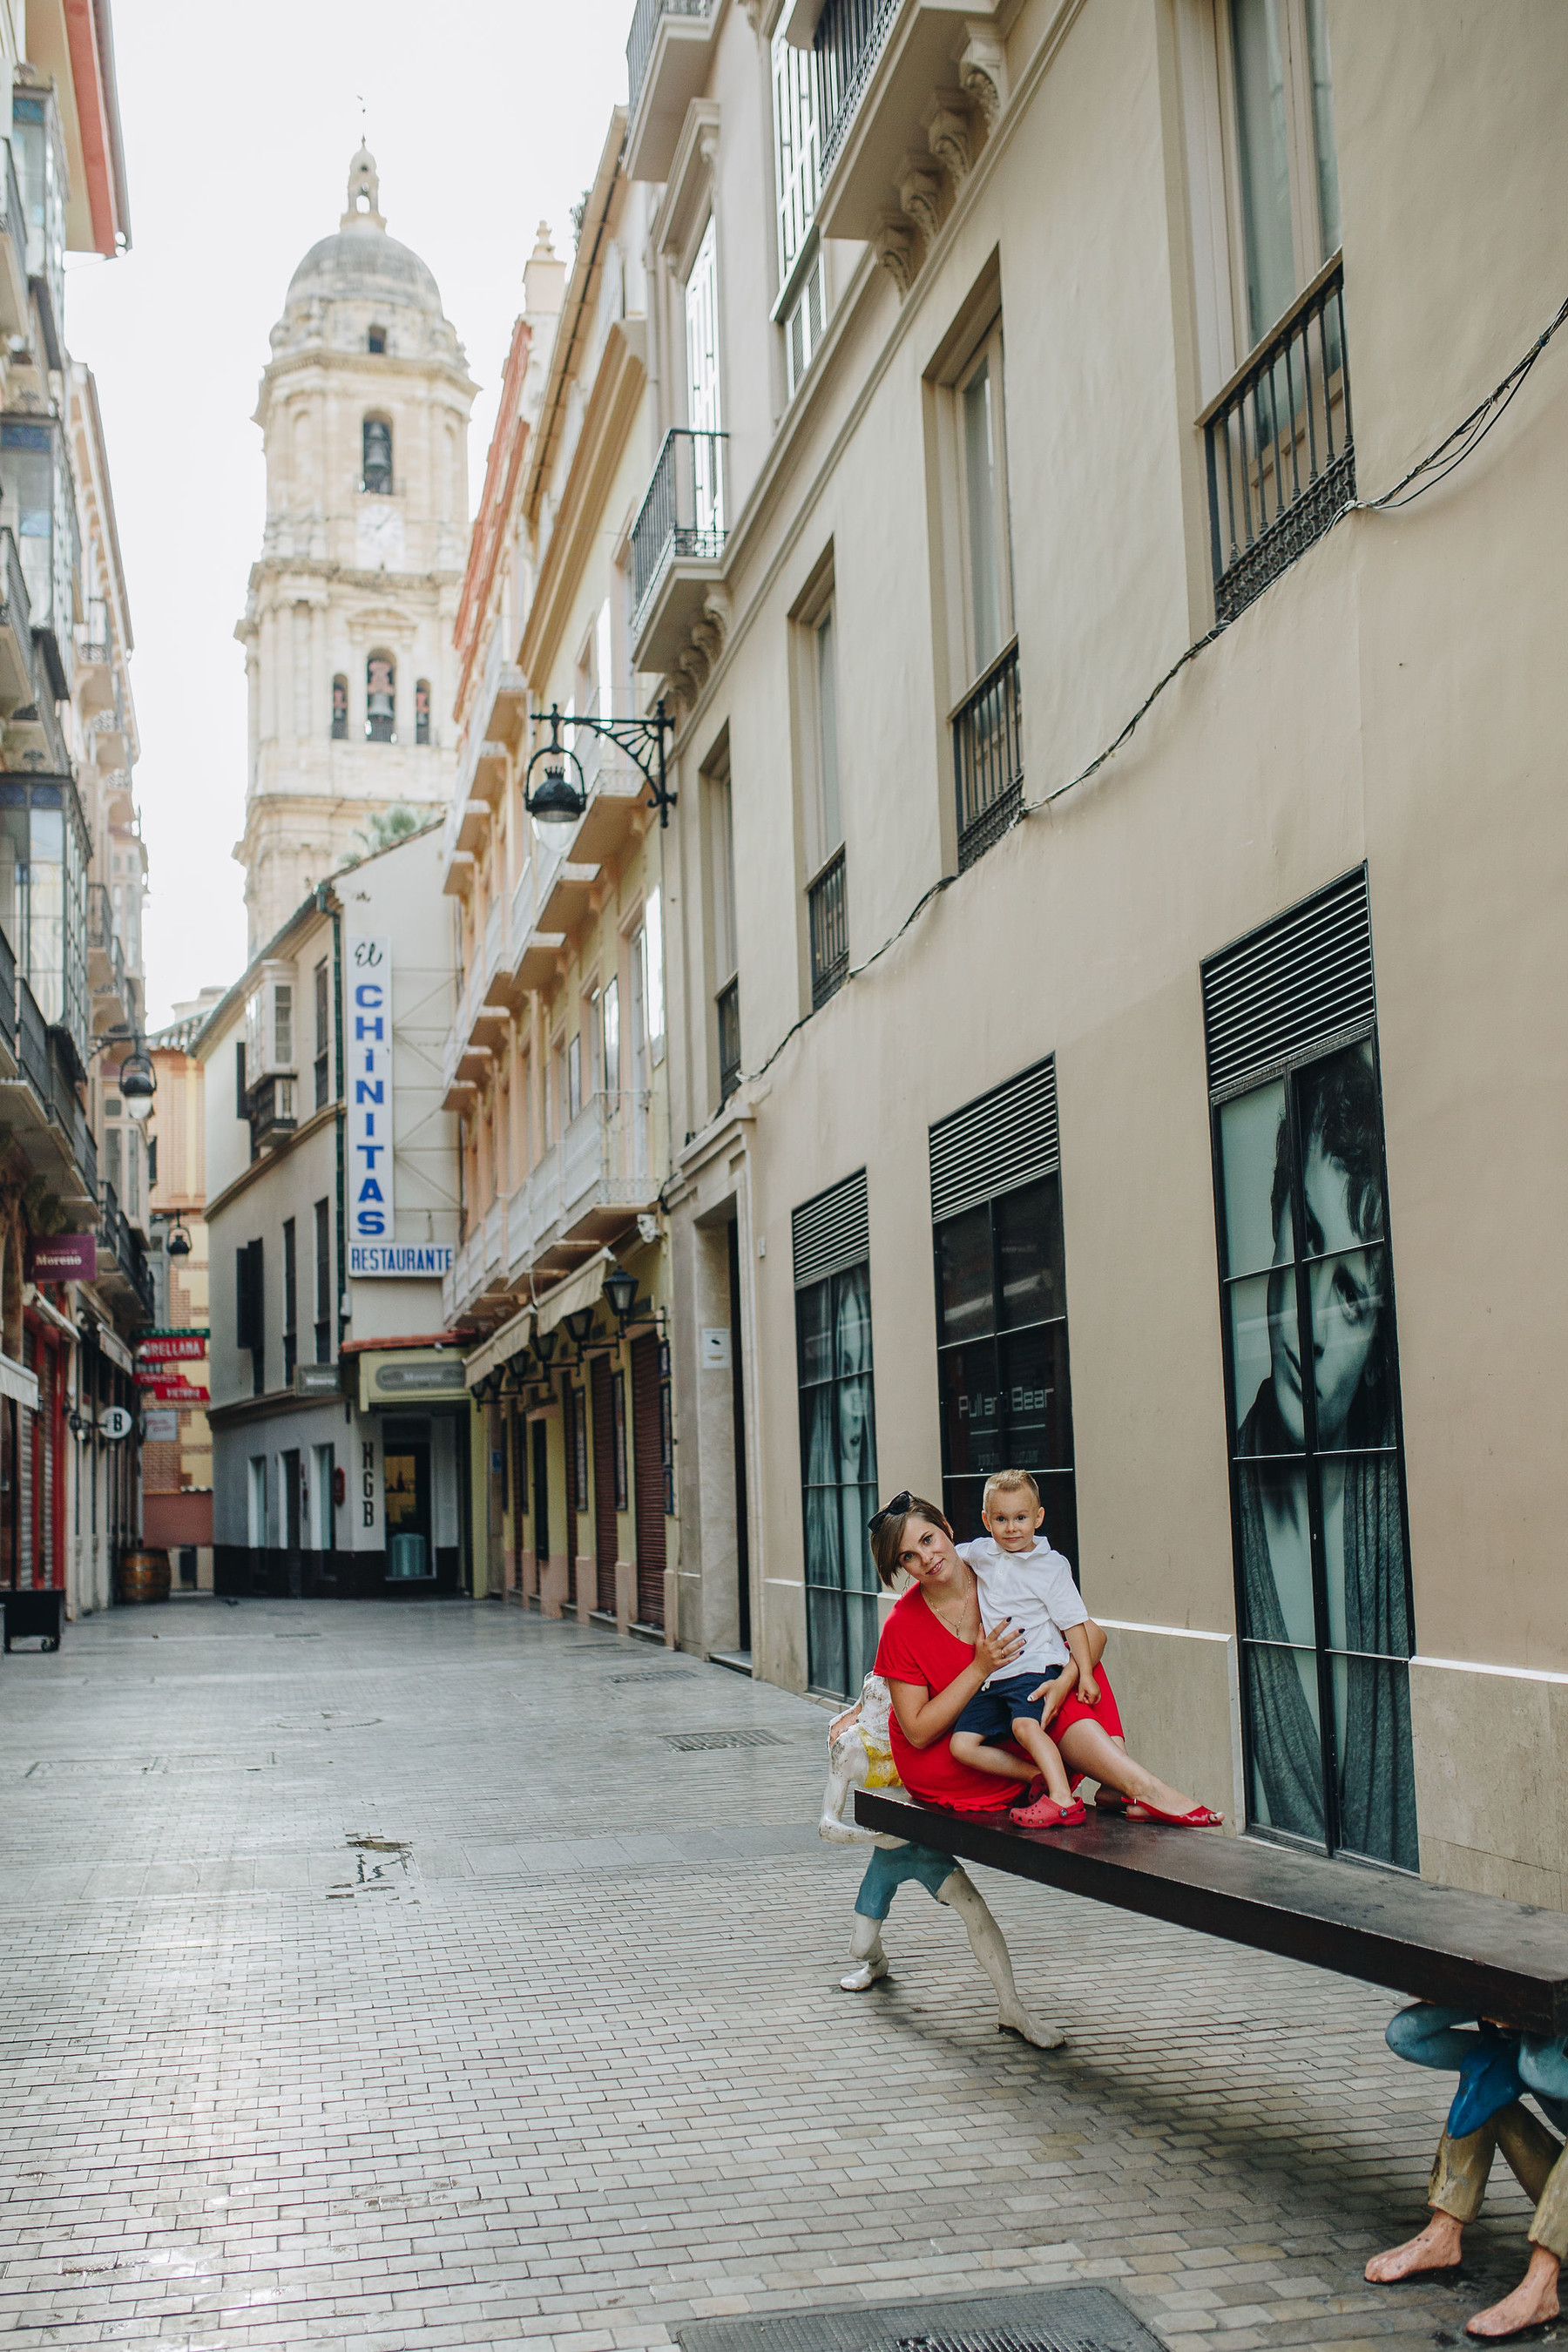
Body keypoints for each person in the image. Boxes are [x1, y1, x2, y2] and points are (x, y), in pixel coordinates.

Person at [1227, 1047, 1416, 1867]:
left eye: (1348, 1296)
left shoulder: (1404, 1521)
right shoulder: (1231, 1514)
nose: (1307, 1323)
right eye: (1303, 1240)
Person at [868, 1491, 1222, 1828]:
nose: (926, 1558)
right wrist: (980, 1668)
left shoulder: (999, 1568)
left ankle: (1121, 1783)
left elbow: (1094, 1636)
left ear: (946, 1526)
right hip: (953, 1755)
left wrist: (1064, 1681)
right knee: (1046, 1677)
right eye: (908, 1556)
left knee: (1075, 1667)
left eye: (927, 1540)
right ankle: (1143, 1788)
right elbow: (917, 1733)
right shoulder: (902, 1626)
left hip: (1004, 1727)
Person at [1365, 2002, 1568, 2339]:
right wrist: (1484, 1998)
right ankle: (1443, 2235)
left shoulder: (1540, 2054)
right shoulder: (1532, 2049)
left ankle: (1541, 2284)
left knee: (1518, 2066)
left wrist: (1535, 2020)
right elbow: (1406, 2036)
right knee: (1485, 2086)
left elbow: (1540, 2069)